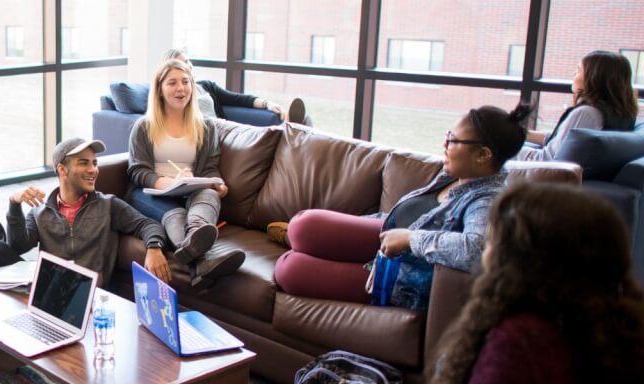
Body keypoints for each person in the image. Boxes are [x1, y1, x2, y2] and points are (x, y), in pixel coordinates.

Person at [274, 103, 531, 310]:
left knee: (290, 268)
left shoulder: (488, 200)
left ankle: (296, 240)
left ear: (483, 155)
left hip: (396, 272)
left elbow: (476, 251)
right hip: (384, 238)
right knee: (304, 226)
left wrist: (410, 238)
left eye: (453, 140)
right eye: (447, 136)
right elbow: (409, 215)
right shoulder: (454, 177)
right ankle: (298, 238)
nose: (444, 145)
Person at [431, 183, 644, 383]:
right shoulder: (616, 328)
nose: (484, 255)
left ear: (521, 260)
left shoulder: (520, 342)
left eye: (490, 243)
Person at [0, 137, 173, 285]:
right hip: (46, 289)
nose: (93, 169)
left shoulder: (108, 205)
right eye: (84, 163)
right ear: (62, 169)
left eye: (94, 163)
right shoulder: (40, 212)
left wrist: (154, 248)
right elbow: (18, 246)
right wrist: (14, 204)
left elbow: (148, 224)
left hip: (86, 291)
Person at [125, 59, 246, 289]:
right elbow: (137, 171)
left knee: (210, 194)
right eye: (172, 83)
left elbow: (209, 168)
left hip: (190, 189)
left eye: (186, 82)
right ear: (160, 89)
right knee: (178, 213)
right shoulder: (144, 126)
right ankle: (201, 263)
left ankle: (196, 242)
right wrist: (170, 183)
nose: (181, 88)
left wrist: (217, 183)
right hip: (151, 193)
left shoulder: (206, 127)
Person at [517, 50, 640, 161]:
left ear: (594, 78)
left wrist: (507, 148)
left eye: (578, 70)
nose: (573, 74)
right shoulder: (620, 113)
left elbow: (546, 159)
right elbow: (564, 140)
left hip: (542, 173)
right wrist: (519, 134)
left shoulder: (587, 114)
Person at [162, 48, 307, 124]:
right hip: (207, 135)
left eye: (187, 61)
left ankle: (292, 128)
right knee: (253, 137)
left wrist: (267, 104)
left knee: (255, 136)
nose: (187, 66)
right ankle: (292, 128)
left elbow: (237, 99)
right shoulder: (174, 95)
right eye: (181, 64)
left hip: (224, 130)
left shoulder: (206, 86)